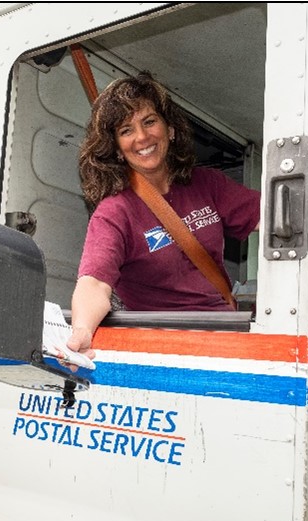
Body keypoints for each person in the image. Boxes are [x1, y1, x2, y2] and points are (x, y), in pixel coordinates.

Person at [65, 71, 261, 367]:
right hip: (166, 351)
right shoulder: (115, 212)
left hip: (226, 335)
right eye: (126, 130)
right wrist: (82, 330)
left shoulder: (207, 183)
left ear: (170, 129)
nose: (142, 137)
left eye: (149, 121)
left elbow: (276, 218)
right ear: (117, 149)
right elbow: (94, 283)